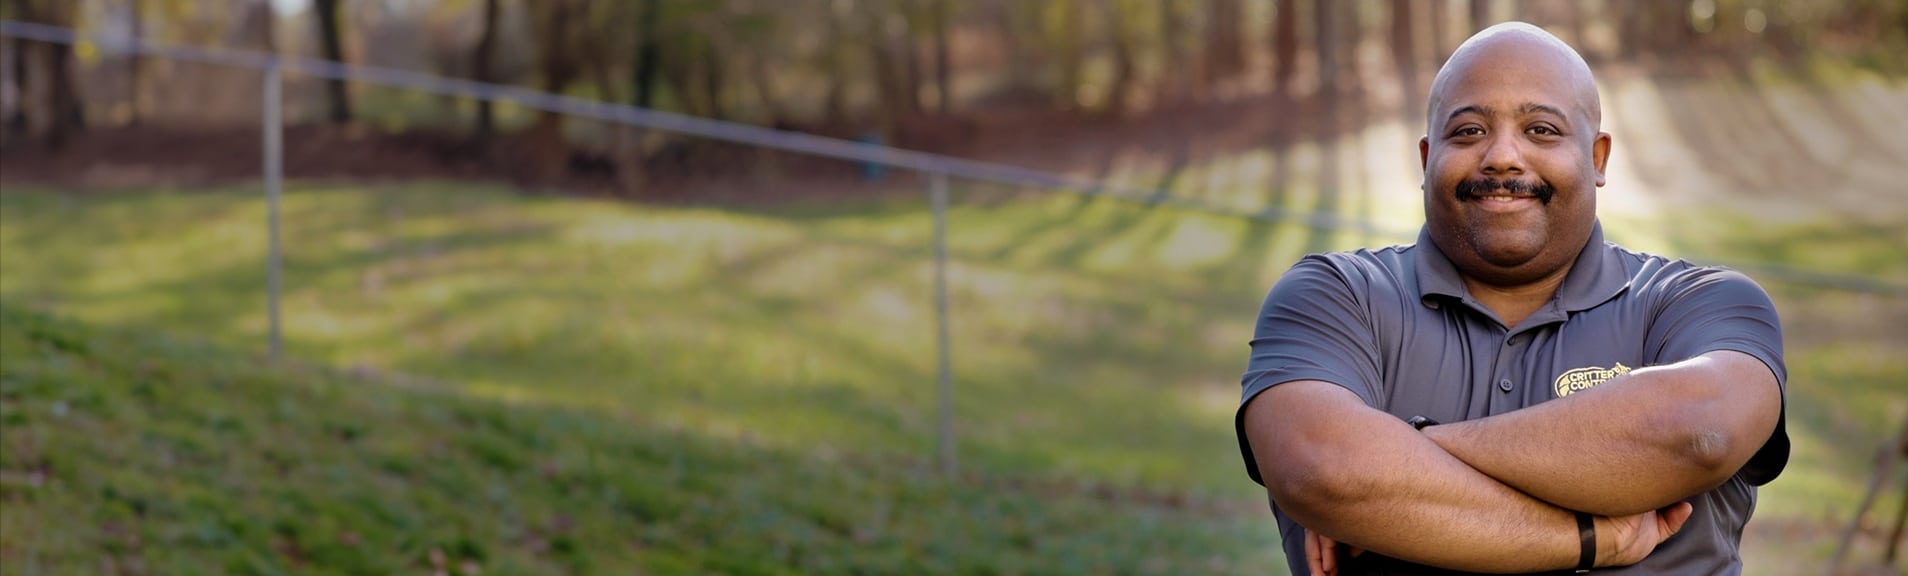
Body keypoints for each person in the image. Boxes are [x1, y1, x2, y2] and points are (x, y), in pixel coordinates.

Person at [1234, 22, 1788, 575]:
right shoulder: (1334, 297)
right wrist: (1590, 538)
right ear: (1426, 158)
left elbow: (1699, 430)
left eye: (1541, 130)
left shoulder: (1699, 304)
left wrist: (1397, 455)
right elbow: (1321, 466)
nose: (1502, 156)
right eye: (1469, 131)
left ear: (1597, 158)